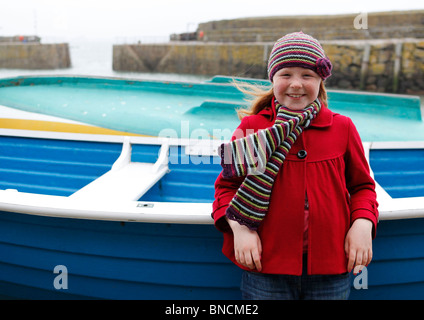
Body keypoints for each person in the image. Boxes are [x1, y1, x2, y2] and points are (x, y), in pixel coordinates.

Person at [212, 32, 378, 300]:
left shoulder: (342, 128)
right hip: (266, 266)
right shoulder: (252, 128)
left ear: (321, 80)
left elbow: (362, 187)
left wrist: (362, 224)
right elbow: (226, 189)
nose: (296, 84)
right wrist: (241, 230)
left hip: (331, 267)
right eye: (286, 74)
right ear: (273, 79)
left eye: (307, 75)